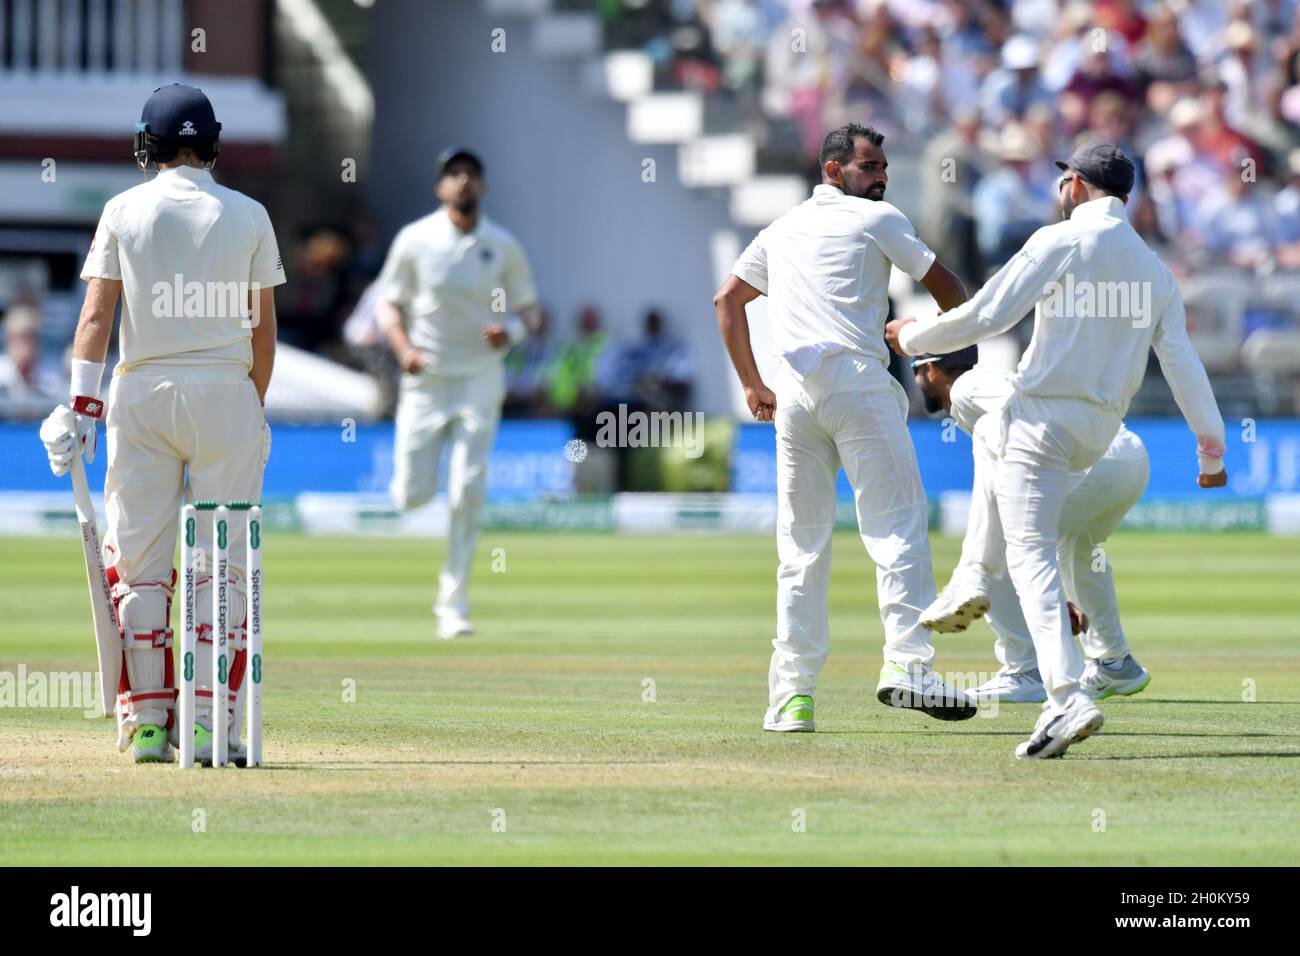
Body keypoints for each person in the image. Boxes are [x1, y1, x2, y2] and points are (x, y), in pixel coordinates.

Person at [886, 143, 1227, 759]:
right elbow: (1181, 363)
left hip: (1045, 418)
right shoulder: (1154, 270)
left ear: (1074, 184)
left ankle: (1065, 697)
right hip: (1100, 428)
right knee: (1004, 457)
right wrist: (1211, 447)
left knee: (1033, 559)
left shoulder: (1060, 241)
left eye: (1064, 179)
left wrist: (913, 336)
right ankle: (975, 582)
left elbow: (986, 315)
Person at [38, 83, 284, 764]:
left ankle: (148, 724)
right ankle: (211, 727)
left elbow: (95, 320)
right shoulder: (251, 214)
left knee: (140, 568)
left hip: (141, 394)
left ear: (148, 143)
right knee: (221, 567)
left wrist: (81, 408)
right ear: (210, 143)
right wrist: (249, 408)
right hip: (226, 392)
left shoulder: (122, 209)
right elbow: (263, 337)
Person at [713, 122, 976, 733]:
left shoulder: (780, 230)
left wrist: (753, 384)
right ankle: (909, 667)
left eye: (883, 166)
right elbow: (949, 288)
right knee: (896, 529)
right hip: (858, 385)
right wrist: (940, 354)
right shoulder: (878, 221)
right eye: (869, 167)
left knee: (800, 549)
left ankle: (791, 697)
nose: (881, 176)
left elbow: (727, 301)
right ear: (833, 171)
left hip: (796, 397)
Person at [912, 348, 1153, 704]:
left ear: (929, 371)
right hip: (1127, 458)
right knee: (1077, 549)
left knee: (1007, 550)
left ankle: (1025, 669)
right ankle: (1114, 663)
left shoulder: (967, 388)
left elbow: (1031, 425)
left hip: (1093, 459)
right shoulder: (984, 383)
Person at [376, 148, 541, 639]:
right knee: (411, 496)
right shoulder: (415, 239)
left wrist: (509, 333)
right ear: (440, 187)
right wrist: (403, 348)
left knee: (468, 490)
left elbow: (531, 311)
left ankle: (454, 605)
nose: (463, 181)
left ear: (483, 187)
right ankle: (411, 493)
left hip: (480, 378)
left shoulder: (502, 245)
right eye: (453, 174)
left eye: (471, 174)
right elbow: (388, 304)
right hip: (426, 378)